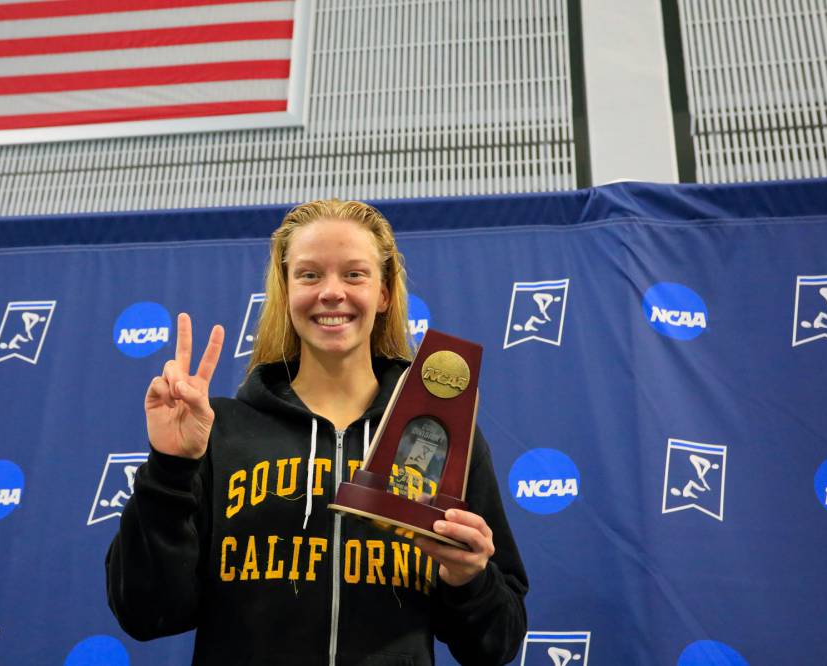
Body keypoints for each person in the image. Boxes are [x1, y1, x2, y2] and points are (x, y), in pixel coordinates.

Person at [106, 200, 528, 665]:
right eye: (309, 275)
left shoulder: (441, 437)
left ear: (384, 293)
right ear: (286, 292)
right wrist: (171, 468)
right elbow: (146, 614)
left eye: (354, 274)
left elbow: (497, 642)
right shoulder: (219, 431)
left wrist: (468, 577)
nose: (331, 292)